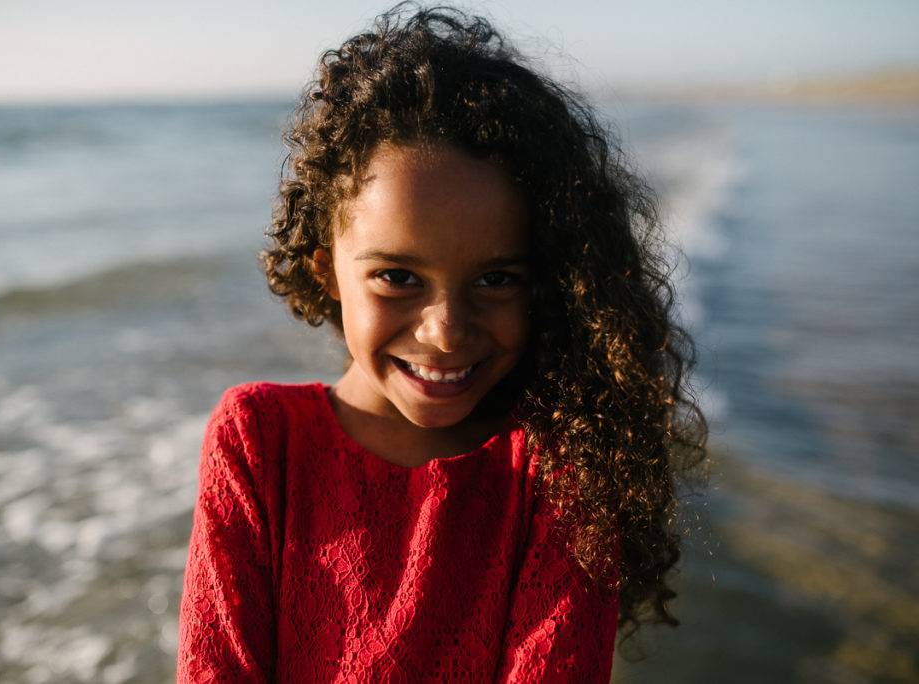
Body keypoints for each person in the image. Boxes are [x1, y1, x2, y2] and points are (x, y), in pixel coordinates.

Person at [177, 3, 707, 682]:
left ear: (551, 282)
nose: (446, 329)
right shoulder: (258, 441)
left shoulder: (559, 471)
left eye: (497, 278)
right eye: (397, 276)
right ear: (326, 270)